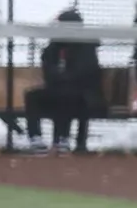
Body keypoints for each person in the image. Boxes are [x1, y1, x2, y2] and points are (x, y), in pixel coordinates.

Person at [23, 8, 103, 154]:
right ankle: (35, 138)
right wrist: (58, 75)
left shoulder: (86, 45)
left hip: (84, 95)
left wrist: (63, 77)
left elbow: (85, 72)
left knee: (67, 94)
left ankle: (63, 138)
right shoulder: (54, 45)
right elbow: (48, 69)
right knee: (32, 96)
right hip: (57, 89)